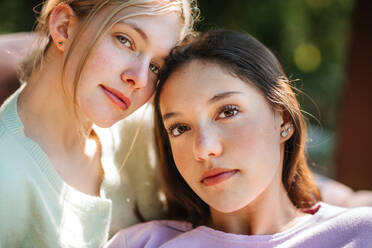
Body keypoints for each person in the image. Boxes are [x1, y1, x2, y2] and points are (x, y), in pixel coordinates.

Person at [106, 30, 372, 247]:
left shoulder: (360, 234)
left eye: (227, 111)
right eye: (179, 128)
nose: (204, 148)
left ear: (284, 119)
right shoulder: (141, 243)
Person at [0, 0, 199, 247]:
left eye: (155, 67)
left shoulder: (152, 136)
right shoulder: (6, 174)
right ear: (64, 27)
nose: (138, 78)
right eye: (125, 40)